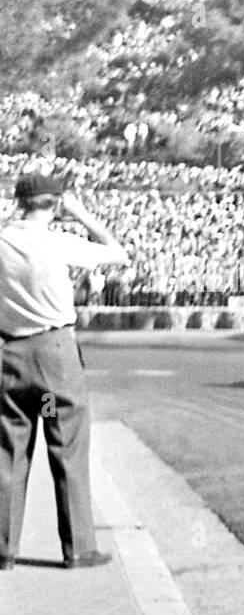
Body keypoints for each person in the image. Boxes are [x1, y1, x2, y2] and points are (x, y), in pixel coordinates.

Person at [1, 172, 129, 569]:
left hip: (11, 357)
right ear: (55, 204)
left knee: (9, 452)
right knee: (66, 446)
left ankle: (3, 549)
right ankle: (78, 548)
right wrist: (83, 214)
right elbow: (117, 252)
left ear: (18, 201)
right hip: (54, 362)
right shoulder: (58, 241)